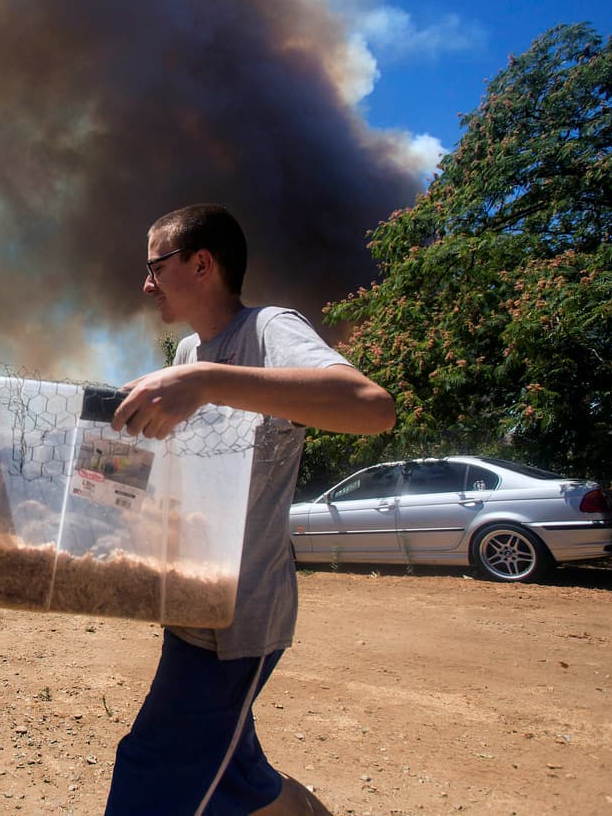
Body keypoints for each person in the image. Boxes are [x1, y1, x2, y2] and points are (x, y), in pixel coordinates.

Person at [105, 203, 396, 816]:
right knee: (232, 771)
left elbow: (371, 407)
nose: (146, 283)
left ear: (201, 263)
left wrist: (207, 382)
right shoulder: (188, 353)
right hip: (192, 602)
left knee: (151, 767)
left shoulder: (269, 329)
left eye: (155, 266)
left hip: (239, 621)